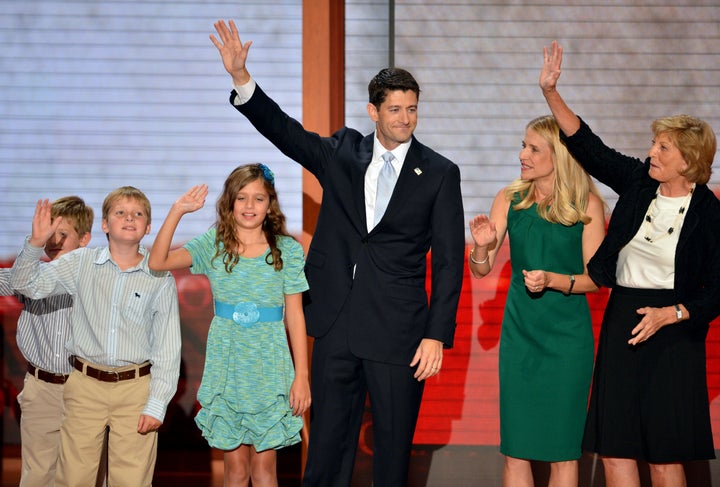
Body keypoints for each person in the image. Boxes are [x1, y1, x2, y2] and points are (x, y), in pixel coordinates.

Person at [210, 19, 465, 487]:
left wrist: (436, 335)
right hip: (335, 324)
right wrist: (242, 80)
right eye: (395, 109)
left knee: (391, 455)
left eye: (412, 109)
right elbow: (286, 133)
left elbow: (449, 263)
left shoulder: (441, 173)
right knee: (327, 451)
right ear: (373, 111)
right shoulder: (343, 151)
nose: (405, 118)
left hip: (399, 332)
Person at [540, 41, 720, 487]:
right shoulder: (640, 182)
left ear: (688, 160)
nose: (651, 153)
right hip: (624, 320)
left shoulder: (709, 212)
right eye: (653, 144)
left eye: (662, 148)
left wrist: (672, 314)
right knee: (617, 449)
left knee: (664, 456)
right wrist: (551, 93)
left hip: (674, 331)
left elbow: (716, 289)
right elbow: (590, 148)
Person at [148, 163, 311, 487]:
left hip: (269, 363)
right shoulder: (213, 244)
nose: (249, 206)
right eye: (241, 197)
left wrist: (302, 377)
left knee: (264, 471)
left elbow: (295, 315)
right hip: (229, 362)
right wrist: (178, 211)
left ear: (270, 203)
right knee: (235, 472)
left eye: (258, 198)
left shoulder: (287, 250)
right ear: (229, 202)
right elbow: (157, 262)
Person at [10, 186, 182, 487]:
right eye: (120, 213)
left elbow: (168, 347)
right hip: (85, 385)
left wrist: (157, 403)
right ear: (105, 224)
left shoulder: (159, 277)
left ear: (148, 226)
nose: (129, 218)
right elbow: (28, 285)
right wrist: (35, 244)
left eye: (138, 214)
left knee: (130, 480)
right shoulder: (80, 263)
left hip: (135, 388)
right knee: (73, 478)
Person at [468, 115, 606, 486]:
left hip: (567, 342)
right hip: (520, 338)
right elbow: (481, 269)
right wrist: (480, 247)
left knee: (563, 454)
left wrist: (552, 280)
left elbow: (595, 280)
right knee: (516, 451)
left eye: (532, 148)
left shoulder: (587, 205)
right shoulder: (509, 198)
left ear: (558, 156)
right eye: (523, 145)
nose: (522, 154)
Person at [0, 196, 94, 487]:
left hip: (85, 388)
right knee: (38, 474)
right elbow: (10, 280)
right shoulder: (30, 275)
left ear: (84, 239)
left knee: (82, 476)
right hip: (41, 387)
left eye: (62, 234)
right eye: (48, 234)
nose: (53, 241)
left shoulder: (94, 275)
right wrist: (32, 245)